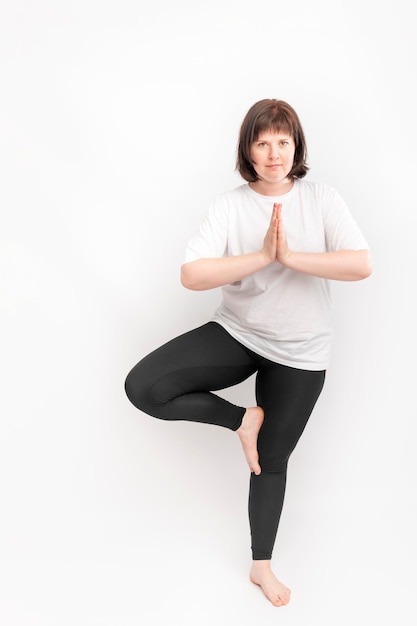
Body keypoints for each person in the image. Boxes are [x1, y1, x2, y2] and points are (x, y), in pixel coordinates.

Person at [124, 99, 372, 607]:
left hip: (300, 351)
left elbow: (361, 264)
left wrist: (290, 257)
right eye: (263, 142)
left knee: (270, 462)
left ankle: (262, 566)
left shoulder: (321, 199)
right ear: (249, 151)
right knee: (143, 387)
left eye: (283, 142)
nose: (274, 152)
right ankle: (242, 419)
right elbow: (191, 275)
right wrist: (260, 256)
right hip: (238, 332)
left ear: (296, 147)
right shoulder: (230, 205)